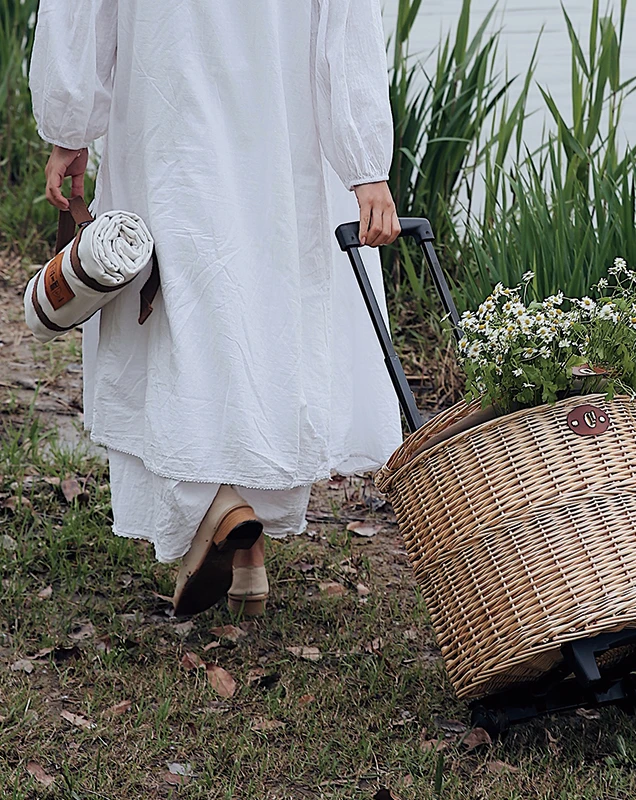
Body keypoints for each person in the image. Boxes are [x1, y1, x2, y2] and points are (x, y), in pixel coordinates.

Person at [29, 1, 403, 616]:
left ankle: (220, 510)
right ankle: (245, 548)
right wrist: (365, 165)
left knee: (180, 308)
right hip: (280, 124)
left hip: (167, 105)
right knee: (263, 303)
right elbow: (345, 20)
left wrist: (71, 127)